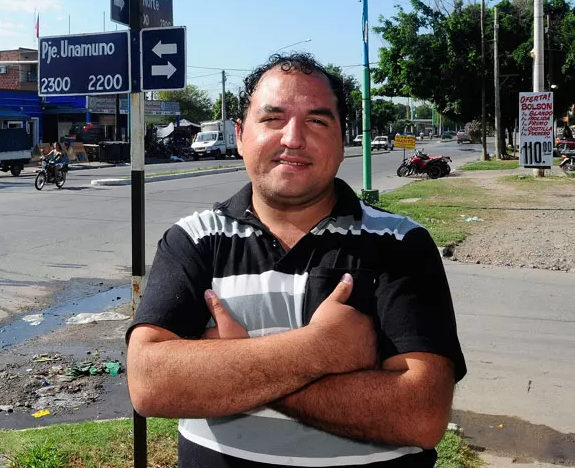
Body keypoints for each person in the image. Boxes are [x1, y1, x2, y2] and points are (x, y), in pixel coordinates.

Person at [127, 53, 466, 468]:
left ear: (343, 138)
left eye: (318, 121)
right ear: (239, 134)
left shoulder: (400, 244)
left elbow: (420, 413)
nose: (293, 138)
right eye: (272, 119)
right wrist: (319, 350)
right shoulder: (194, 239)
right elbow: (149, 384)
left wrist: (228, 369)